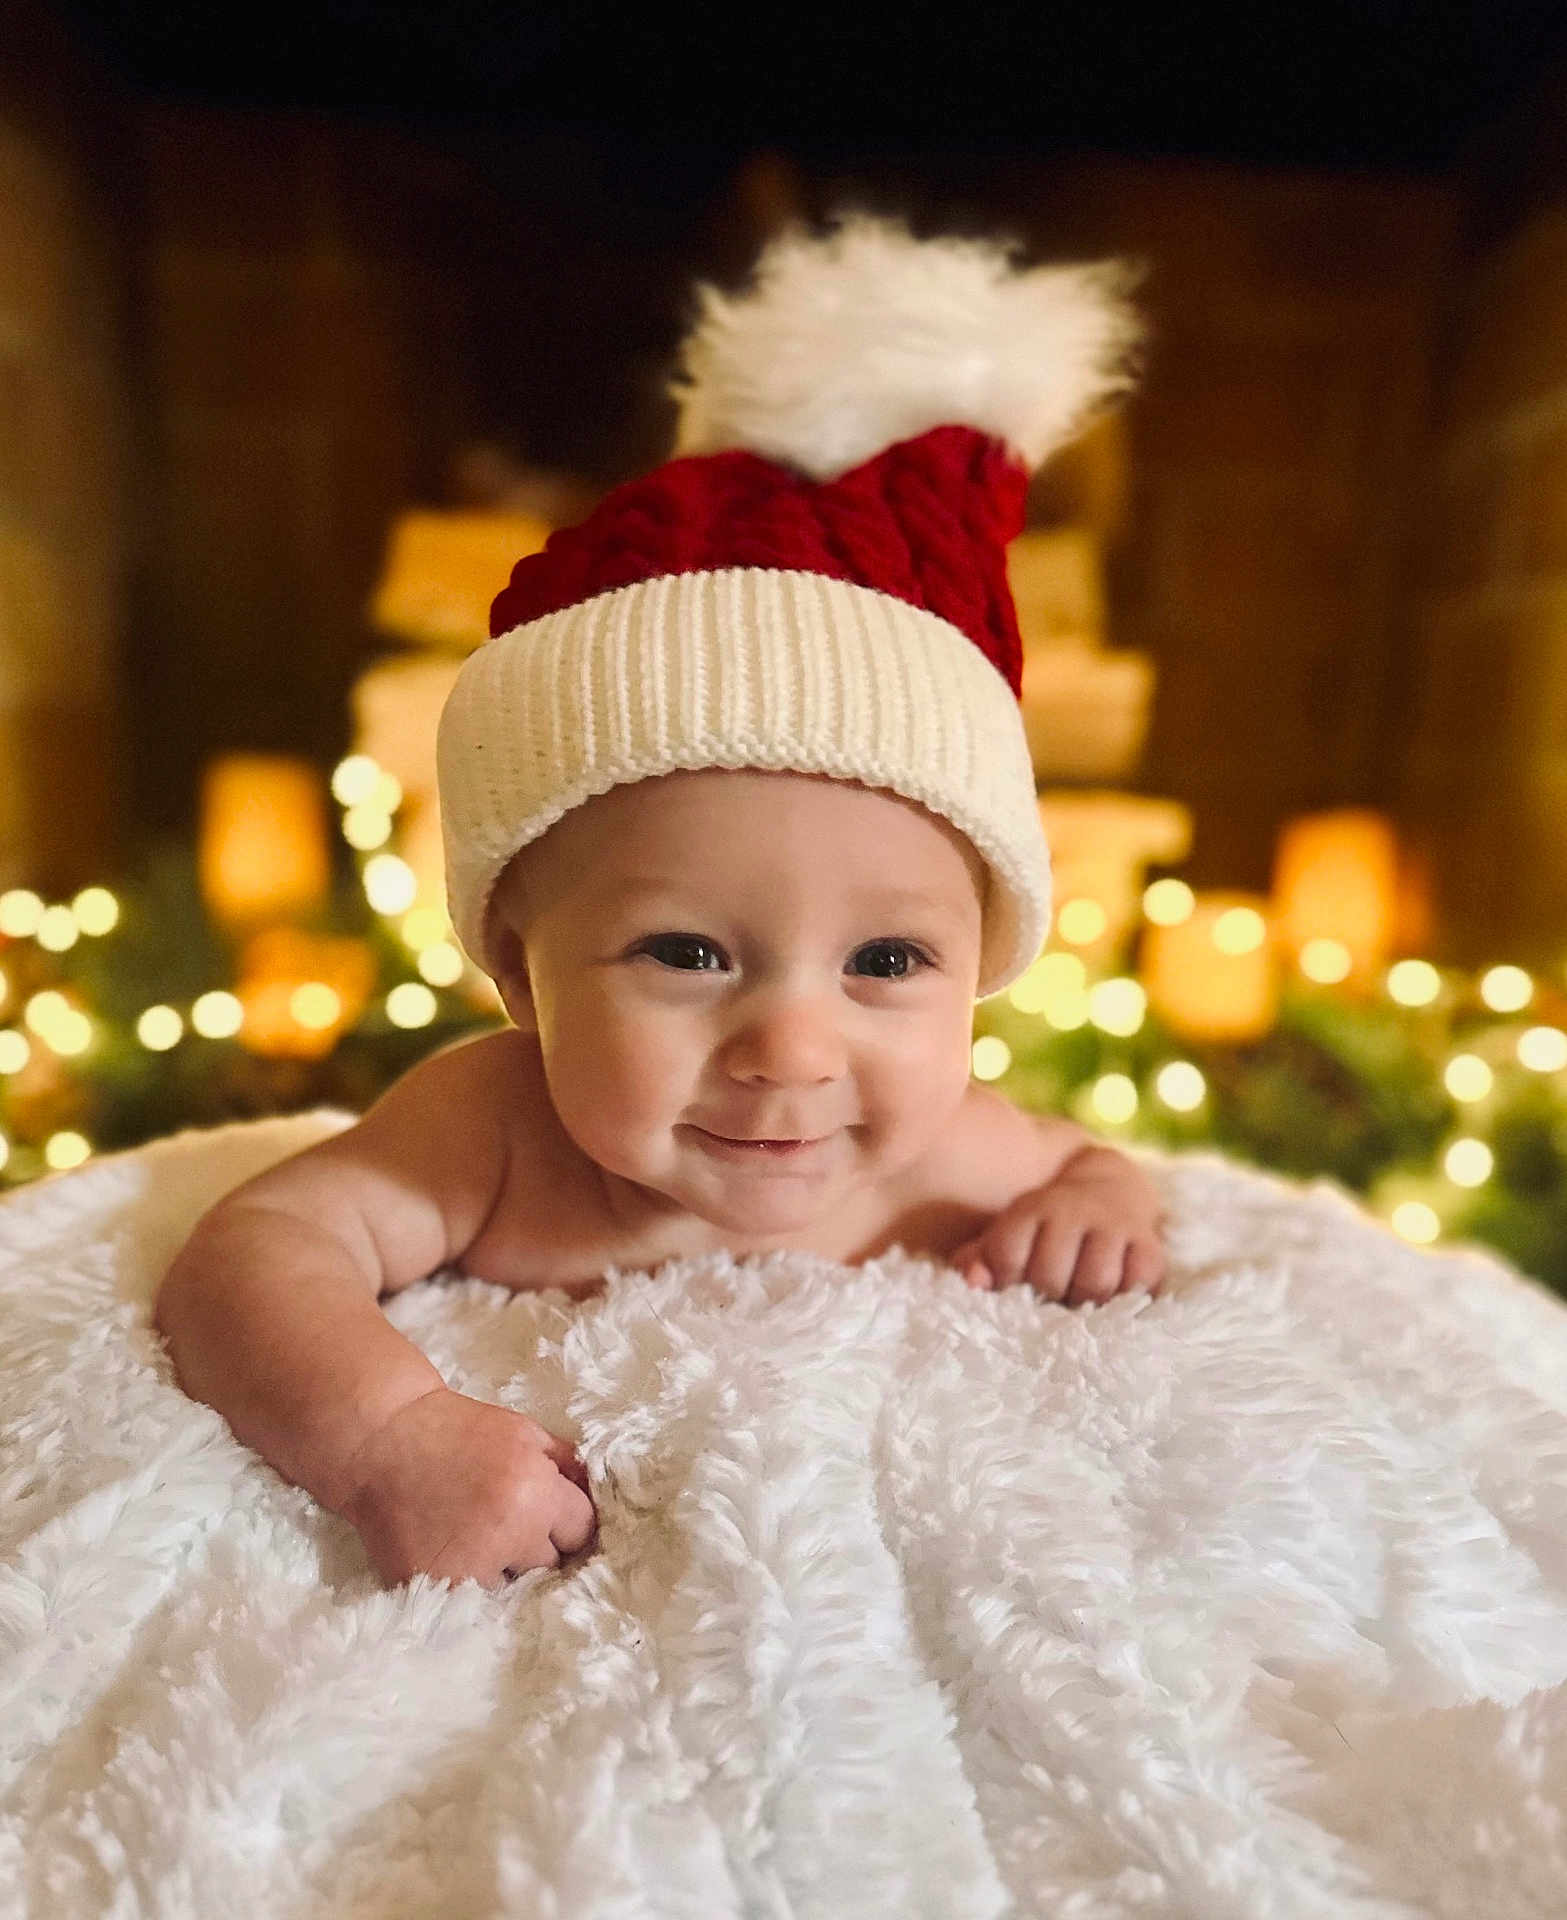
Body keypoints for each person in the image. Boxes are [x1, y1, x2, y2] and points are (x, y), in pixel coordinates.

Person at [155, 214, 1164, 1592]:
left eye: (886, 957)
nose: (795, 1052)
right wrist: (392, 1435)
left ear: (984, 961)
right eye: (686, 951)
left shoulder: (944, 1151)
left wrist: (1098, 1205)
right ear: (521, 975)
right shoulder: (494, 1131)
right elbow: (254, 1253)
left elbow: (1087, 1167)